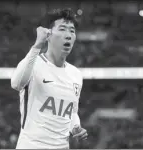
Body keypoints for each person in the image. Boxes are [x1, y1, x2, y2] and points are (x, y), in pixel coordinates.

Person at [11, 8, 87, 149]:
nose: (68, 35)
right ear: (48, 34)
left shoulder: (76, 74)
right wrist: (38, 44)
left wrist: (76, 127)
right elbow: (16, 83)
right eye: (63, 29)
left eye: (72, 31)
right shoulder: (33, 63)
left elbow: (72, 112)